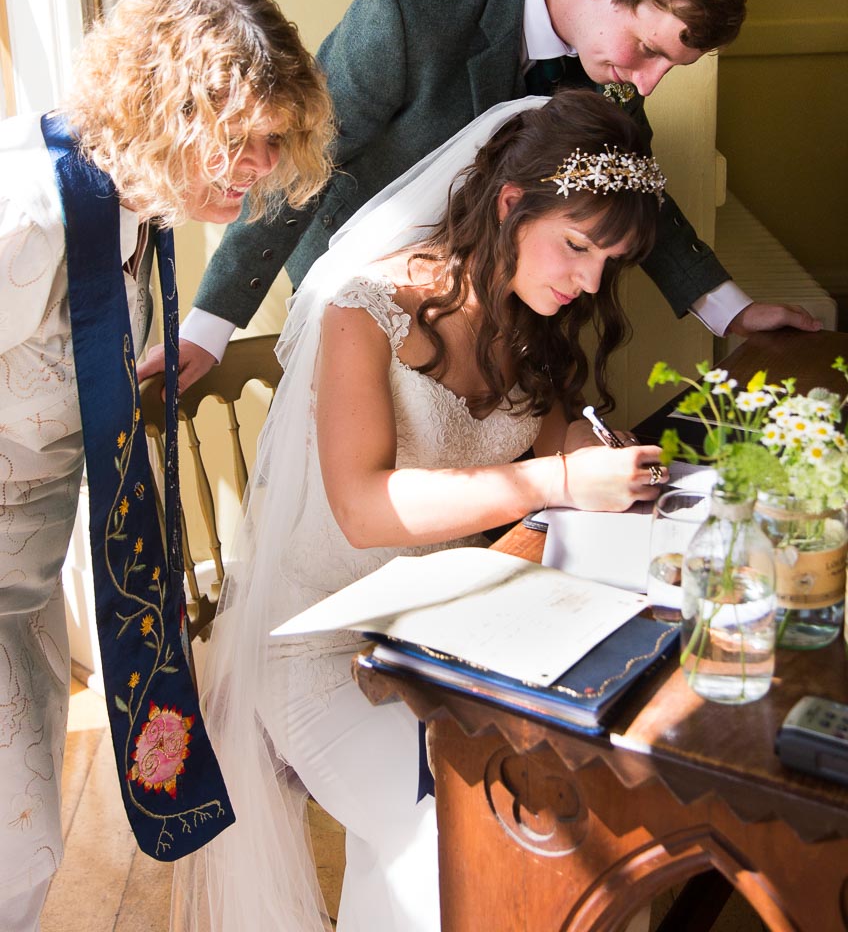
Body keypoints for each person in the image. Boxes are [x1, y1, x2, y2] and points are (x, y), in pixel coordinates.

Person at [172, 90, 671, 932]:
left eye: (605, 263)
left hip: (449, 640)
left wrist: (589, 456)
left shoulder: (528, 314)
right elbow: (364, 509)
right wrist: (553, 482)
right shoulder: (363, 309)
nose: (588, 282)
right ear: (512, 205)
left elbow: (555, 437)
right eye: (577, 247)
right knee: (458, 842)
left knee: (486, 827)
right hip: (323, 650)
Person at [150, 0, 818, 397]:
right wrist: (212, 324)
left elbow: (627, 183)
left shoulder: (613, 61)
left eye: (671, 64)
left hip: (505, 332)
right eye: (647, 49)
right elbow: (300, 162)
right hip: (372, 312)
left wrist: (729, 308)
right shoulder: (408, 14)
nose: (649, 81)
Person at [0, 0, 333, 932]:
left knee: (23, 835)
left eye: (275, 141)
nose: (260, 165)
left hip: (24, 572)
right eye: (239, 140)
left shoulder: (132, 213)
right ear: (161, 113)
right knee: (13, 844)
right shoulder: (26, 218)